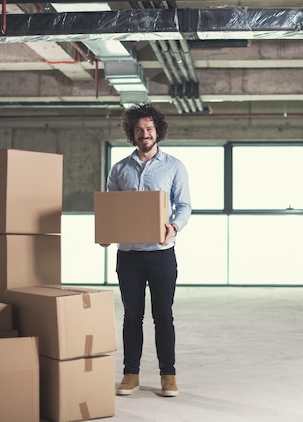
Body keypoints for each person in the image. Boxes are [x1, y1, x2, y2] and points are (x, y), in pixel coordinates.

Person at [101, 103, 191, 398]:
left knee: (163, 316)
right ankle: (131, 374)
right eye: (139, 129)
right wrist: (106, 233)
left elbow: (184, 205)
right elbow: (110, 209)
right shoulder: (120, 168)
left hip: (161, 254)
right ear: (132, 133)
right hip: (129, 256)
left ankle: (168, 375)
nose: (145, 134)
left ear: (158, 131)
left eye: (149, 129)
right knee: (131, 316)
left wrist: (174, 227)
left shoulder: (174, 166)